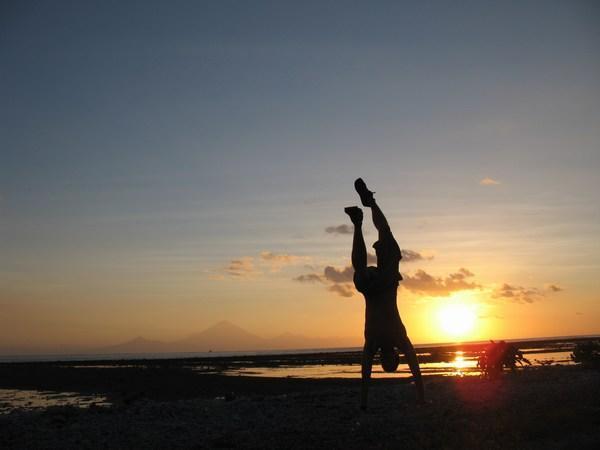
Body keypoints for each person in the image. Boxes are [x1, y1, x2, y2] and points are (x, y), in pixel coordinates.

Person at [345, 178, 425, 409]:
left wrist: (364, 404)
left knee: (360, 271)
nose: (389, 358)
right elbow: (415, 369)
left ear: (384, 358)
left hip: (373, 287)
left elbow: (365, 375)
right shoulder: (400, 338)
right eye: (392, 361)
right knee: (386, 235)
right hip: (386, 283)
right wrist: (420, 398)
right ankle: (368, 203)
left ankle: (358, 222)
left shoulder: (373, 343)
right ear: (395, 357)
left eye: (386, 361)